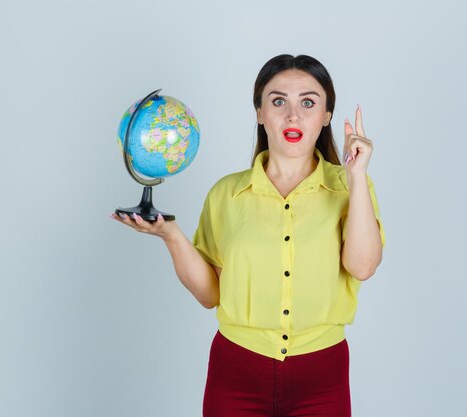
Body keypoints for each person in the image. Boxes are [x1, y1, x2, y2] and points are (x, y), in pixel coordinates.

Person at [110, 54, 384, 417]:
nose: (292, 116)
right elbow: (210, 295)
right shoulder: (226, 194)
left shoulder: (351, 187)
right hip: (236, 370)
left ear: (327, 115)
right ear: (259, 112)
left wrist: (357, 176)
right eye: (277, 101)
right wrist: (171, 235)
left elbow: (362, 267)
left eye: (308, 102)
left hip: (323, 373)